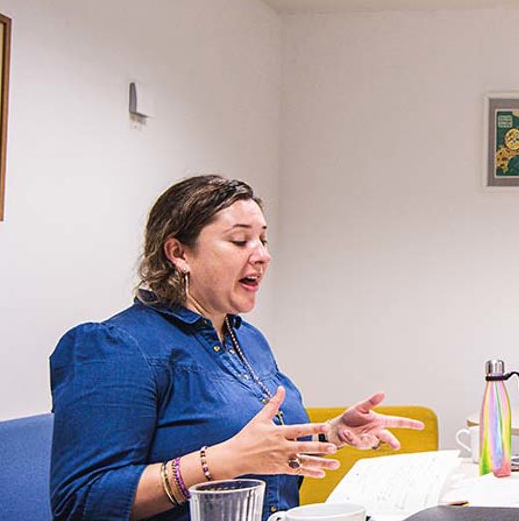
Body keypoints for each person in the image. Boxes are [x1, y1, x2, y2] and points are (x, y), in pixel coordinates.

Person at [50, 175, 422, 521]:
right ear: (179, 253)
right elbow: (81, 501)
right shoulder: (113, 346)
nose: (262, 255)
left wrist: (330, 434)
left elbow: (261, 448)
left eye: (263, 240)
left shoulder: (248, 339)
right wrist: (220, 461)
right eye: (240, 240)